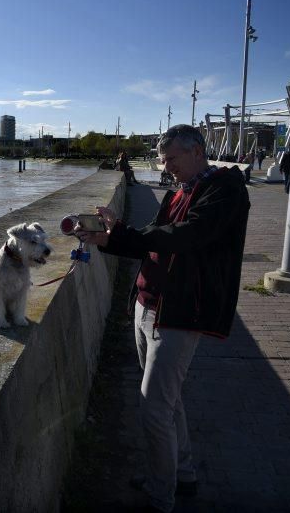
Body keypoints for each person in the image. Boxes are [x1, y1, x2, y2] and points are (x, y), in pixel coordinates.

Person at [75, 124, 250, 513]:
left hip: (179, 312)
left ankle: (160, 495)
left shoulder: (225, 190)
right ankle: (181, 473)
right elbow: (152, 235)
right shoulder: (178, 191)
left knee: (153, 406)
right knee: (166, 402)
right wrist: (110, 237)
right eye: (163, 159)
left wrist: (127, 235)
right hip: (147, 304)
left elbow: (186, 236)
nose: (165, 166)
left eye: (171, 158)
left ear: (197, 152)